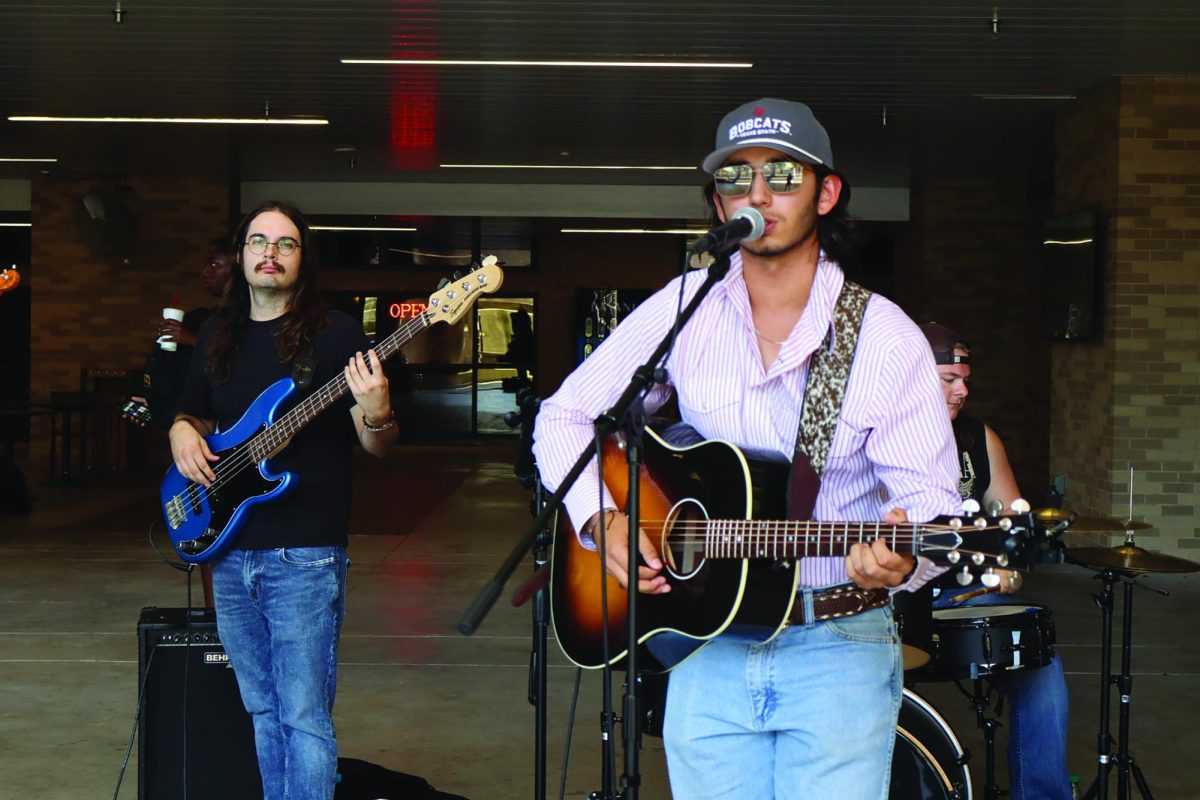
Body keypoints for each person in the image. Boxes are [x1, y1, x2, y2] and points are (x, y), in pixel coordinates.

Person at [532, 98, 962, 799]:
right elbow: (564, 416)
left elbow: (933, 508)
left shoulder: (883, 337)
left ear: (826, 193)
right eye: (736, 177)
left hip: (837, 647)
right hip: (709, 645)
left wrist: (899, 557)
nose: (758, 193)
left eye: (783, 175)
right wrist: (601, 519)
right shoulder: (687, 305)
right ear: (716, 201)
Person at [169, 201, 397, 800]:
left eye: (286, 244)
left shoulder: (336, 333)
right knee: (263, 712)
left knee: (303, 717)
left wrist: (377, 413)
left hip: (305, 552)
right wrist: (180, 429)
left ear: (303, 258)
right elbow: (191, 406)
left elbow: (376, 447)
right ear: (241, 254)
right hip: (229, 545)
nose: (270, 253)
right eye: (258, 241)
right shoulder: (217, 333)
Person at [920, 322, 1072, 800]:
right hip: (888, 601)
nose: (963, 389)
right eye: (948, 379)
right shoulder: (873, 433)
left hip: (965, 594)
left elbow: (1013, 528)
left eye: (965, 378)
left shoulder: (979, 438)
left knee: (1041, 667)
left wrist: (1011, 567)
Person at [133, 237, 234, 429]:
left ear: (237, 267)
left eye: (213, 265)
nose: (205, 273)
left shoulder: (245, 317)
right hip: (185, 422)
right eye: (206, 265)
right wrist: (155, 403)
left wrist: (190, 339)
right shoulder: (203, 318)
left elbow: (234, 360)